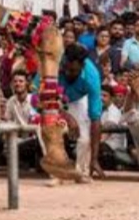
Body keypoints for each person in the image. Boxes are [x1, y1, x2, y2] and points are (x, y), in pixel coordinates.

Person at [58, 43, 104, 181]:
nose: (68, 73)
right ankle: (55, 168)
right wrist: (67, 117)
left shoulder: (92, 76)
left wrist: (95, 158)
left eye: (73, 71)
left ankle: (81, 170)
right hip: (48, 101)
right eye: (66, 68)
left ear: (82, 67)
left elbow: (95, 118)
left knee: (84, 139)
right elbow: (38, 98)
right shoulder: (53, 64)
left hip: (77, 101)